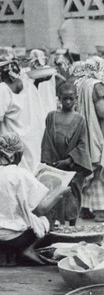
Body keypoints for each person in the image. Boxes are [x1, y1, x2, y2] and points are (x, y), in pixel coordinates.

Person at [0, 133, 58, 264]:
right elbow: (41, 209)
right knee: (48, 214)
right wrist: (59, 193)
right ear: (16, 155)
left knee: (7, 217)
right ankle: (28, 249)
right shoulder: (19, 173)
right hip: (14, 238)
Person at [0, 54, 53, 173]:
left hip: (9, 143)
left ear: (1, 71)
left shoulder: (0, 89)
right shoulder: (28, 85)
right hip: (29, 140)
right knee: (29, 174)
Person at [41, 83, 92, 225]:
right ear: (59, 99)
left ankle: (73, 225)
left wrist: (69, 161)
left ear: (76, 98)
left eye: (71, 98)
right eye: (65, 99)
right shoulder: (52, 116)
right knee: (55, 194)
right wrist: (50, 160)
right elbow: (47, 140)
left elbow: (82, 144)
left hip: (73, 165)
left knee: (73, 194)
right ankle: (57, 224)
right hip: (55, 164)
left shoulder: (79, 119)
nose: (68, 102)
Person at [77, 57, 104, 221]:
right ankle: (101, 210)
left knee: (89, 169)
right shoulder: (97, 85)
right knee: (100, 169)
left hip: (86, 130)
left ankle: (85, 207)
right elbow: (102, 111)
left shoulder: (82, 83)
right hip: (98, 130)